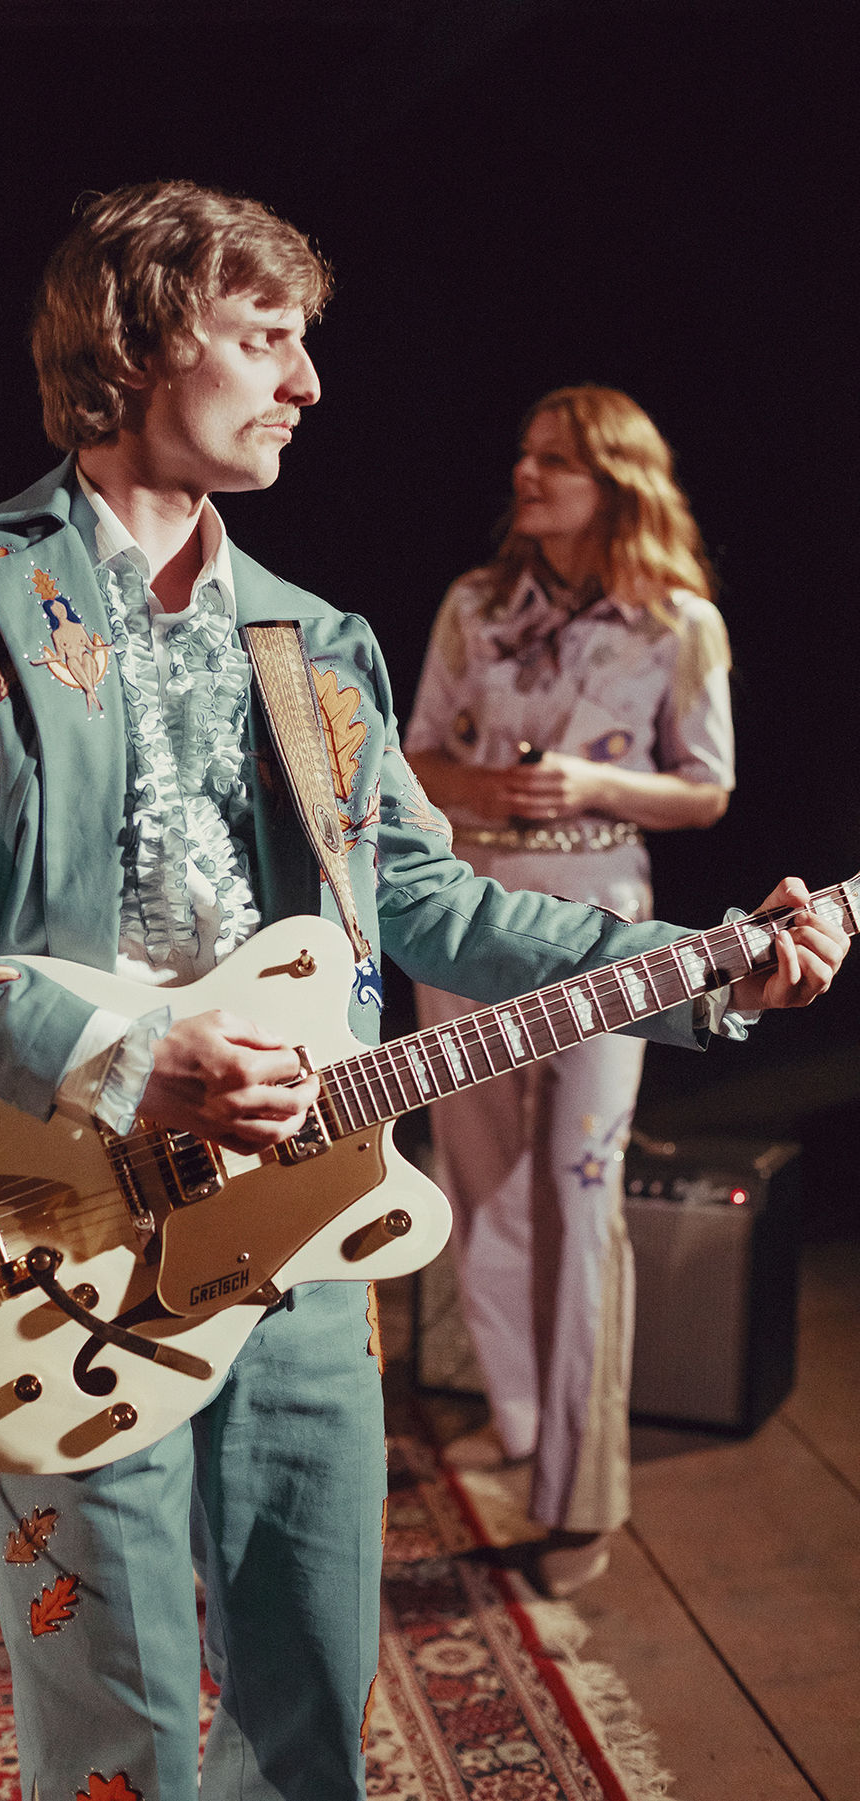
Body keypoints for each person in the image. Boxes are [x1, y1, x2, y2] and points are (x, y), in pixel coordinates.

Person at [0, 185, 845, 1801]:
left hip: (306, 1241)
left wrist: (709, 970)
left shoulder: (314, 640)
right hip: (61, 1245)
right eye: (267, 339)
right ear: (138, 345)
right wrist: (123, 1051)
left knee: (308, 1714)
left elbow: (437, 908)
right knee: (120, 1731)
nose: (309, 382)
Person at [404, 385, 736, 1598]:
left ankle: (582, 1493)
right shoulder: (474, 605)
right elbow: (411, 756)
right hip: (468, 918)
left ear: (616, 479)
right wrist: (486, 790)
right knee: (480, 1183)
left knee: (580, 1193)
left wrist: (597, 790)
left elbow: (707, 787)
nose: (526, 474)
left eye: (556, 460)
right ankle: (524, 1426)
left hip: (605, 929)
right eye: (525, 454)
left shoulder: (679, 624)